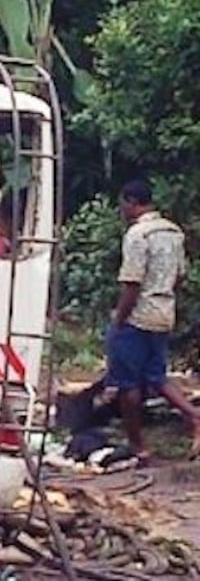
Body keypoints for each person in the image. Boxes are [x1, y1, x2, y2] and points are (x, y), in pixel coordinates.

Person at [105, 180, 200, 462]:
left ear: (131, 202)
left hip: (137, 317)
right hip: (163, 313)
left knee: (128, 385)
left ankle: (138, 446)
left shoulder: (138, 235)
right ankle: (194, 416)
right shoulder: (173, 233)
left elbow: (132, 284)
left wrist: (119, 319)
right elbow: (180, 276)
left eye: (123, 204)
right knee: (156, 376)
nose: (122, 209)